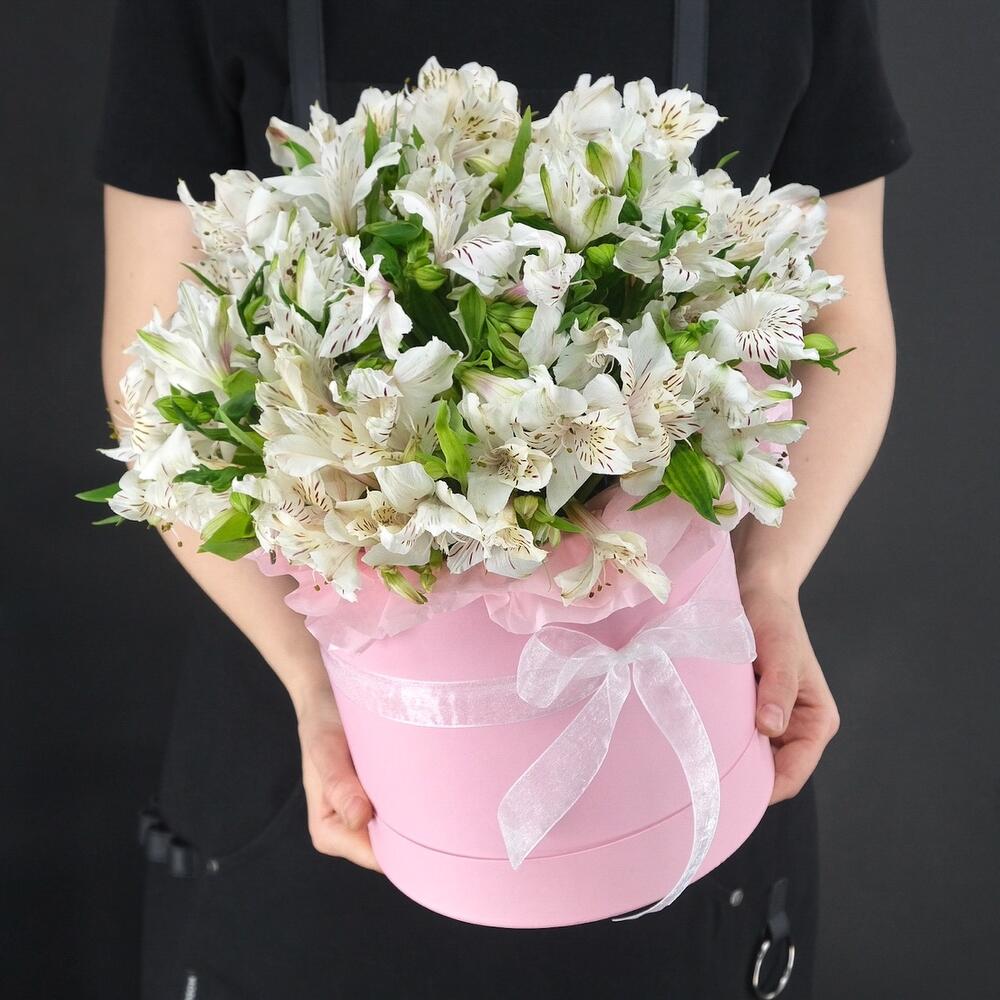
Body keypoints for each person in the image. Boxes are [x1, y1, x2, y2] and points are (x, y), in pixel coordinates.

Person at [95, 1, 910, 996]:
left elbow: (839, 318)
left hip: (685, 736)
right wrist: (314, 686)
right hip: (319, 755)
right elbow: (154, 380)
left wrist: (767, 581)